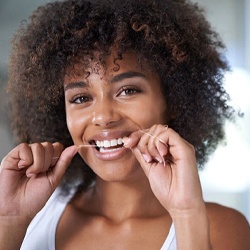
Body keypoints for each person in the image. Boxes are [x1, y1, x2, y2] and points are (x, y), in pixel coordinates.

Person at [0, 0, 249, 249]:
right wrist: (9, 221)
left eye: (128, 90)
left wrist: (186, 214)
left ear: (172, 100)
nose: (103, 116)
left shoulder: (221, 228)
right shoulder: (30, 216)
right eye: (81, 98)